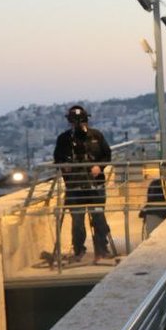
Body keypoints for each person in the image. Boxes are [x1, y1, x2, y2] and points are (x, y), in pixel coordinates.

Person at [53, 104, 114, 262]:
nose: (79, 125)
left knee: (99, 217)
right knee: (77, 220)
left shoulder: (96, 136)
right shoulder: (64, 139)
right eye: (75, 121)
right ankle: (78, 250)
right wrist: (65, 167)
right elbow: (57, 159)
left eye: (81, 121)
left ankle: (102, 249)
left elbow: (107, 155)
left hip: (95, 186)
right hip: (75, 187)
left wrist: (98, 167)